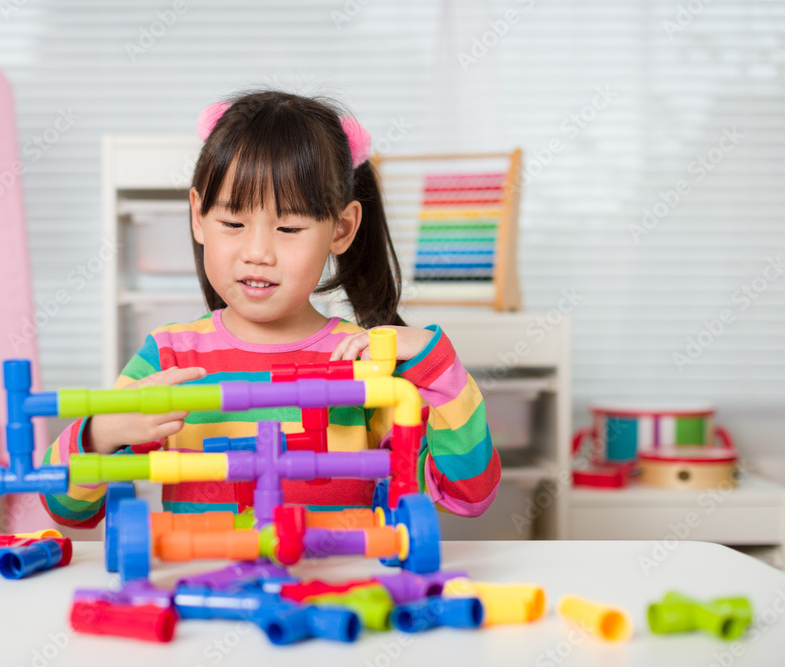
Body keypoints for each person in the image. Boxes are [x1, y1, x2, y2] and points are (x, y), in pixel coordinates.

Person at [41, 90, 500, 527]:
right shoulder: (169, 356)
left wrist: (440, 367)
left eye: (289, 228)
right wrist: (101, 433)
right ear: (199, 216)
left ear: (341, 229)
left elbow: (465, 496)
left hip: (334, 580)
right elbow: (66, 508)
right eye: (232, 222)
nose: (257, 252)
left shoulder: (363, 361)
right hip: (207, 581)